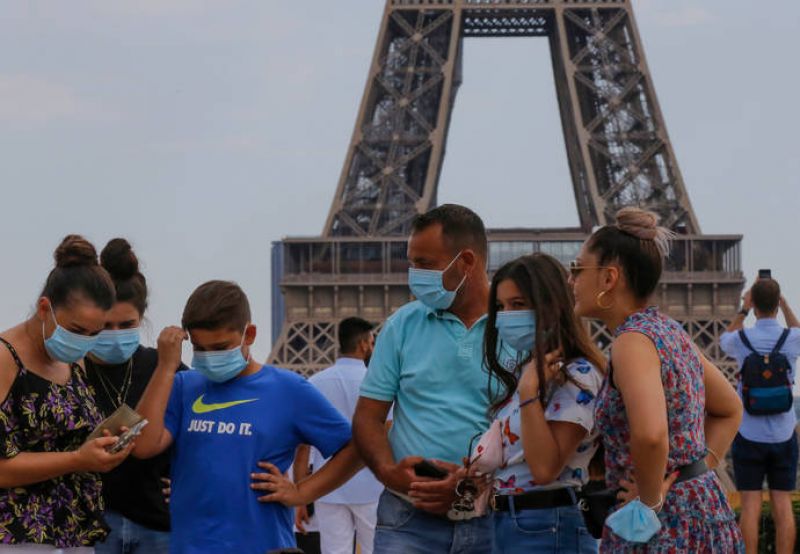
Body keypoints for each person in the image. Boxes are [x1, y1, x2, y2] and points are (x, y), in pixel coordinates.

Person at [132, 280, 362, 554]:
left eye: (220, 347)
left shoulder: (289, 389)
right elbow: (143, 446)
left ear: (249, 334)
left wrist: (302, 493)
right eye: (200, 349)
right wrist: (165, 368)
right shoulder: (184, 386)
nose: (209, 357)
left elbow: (356, 449)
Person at [569, 207, 743, 552]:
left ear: (609, 278)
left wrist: (649, 505)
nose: (571, 281)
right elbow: (730, 409)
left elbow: (650, 435)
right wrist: (691, 473)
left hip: (662, 527)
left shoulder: (631, 341)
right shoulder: (668, 331)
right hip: (703, 508)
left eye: (577, 269)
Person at [353, 204, 503, 554]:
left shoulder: (517, 327)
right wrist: (390, 473)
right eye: (412, 262)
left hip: (494, 516)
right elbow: (368, 416)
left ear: (466, 261)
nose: (414, 273)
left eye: (425, 264)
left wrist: (471, 484)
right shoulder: (402, 324)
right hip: (408, 515)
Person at [0, 235, 135, 552]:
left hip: (74, 533)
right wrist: (77, 459)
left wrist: (104, 447)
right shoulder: (5, 359)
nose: (85, 341)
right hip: (16, 536)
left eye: (94, 333)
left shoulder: (73, 360)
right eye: (76, 330)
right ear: (45, 307)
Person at [484, 253, 605, 553]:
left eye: (518, 304)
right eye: (500, 307)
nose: (506, 315)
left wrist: (528, 393)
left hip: (547, 524)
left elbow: (543, 469)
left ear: (551, 306)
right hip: (509, 522)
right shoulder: (532, 373)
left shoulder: (579, 376)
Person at [85, 239, 185, 554]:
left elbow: (201, 428)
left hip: (158, 523)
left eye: (126, 324)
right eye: (105, 325)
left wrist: (186, 480)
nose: (115, 333)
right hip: (91, 526)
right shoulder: (69, 371)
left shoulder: (167, 367)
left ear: (142, 318)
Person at [721, 278, 800, 554]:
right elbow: (798, 330)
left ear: (753, 304)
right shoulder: (792, 338)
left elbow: (722, 340)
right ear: (778, 304)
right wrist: (786, 305)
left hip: (748, 434)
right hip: (784, 434)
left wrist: (743, 310)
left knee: (750, 506)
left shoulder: (741, 339)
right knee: (783, 505)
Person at [295, 317, 382, 554]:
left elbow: (302, 446)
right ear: (364, 344)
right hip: (372, 485)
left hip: (328, 487)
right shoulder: (377, 383)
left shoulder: (314, 383)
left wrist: (301, 496)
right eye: (372, 343)